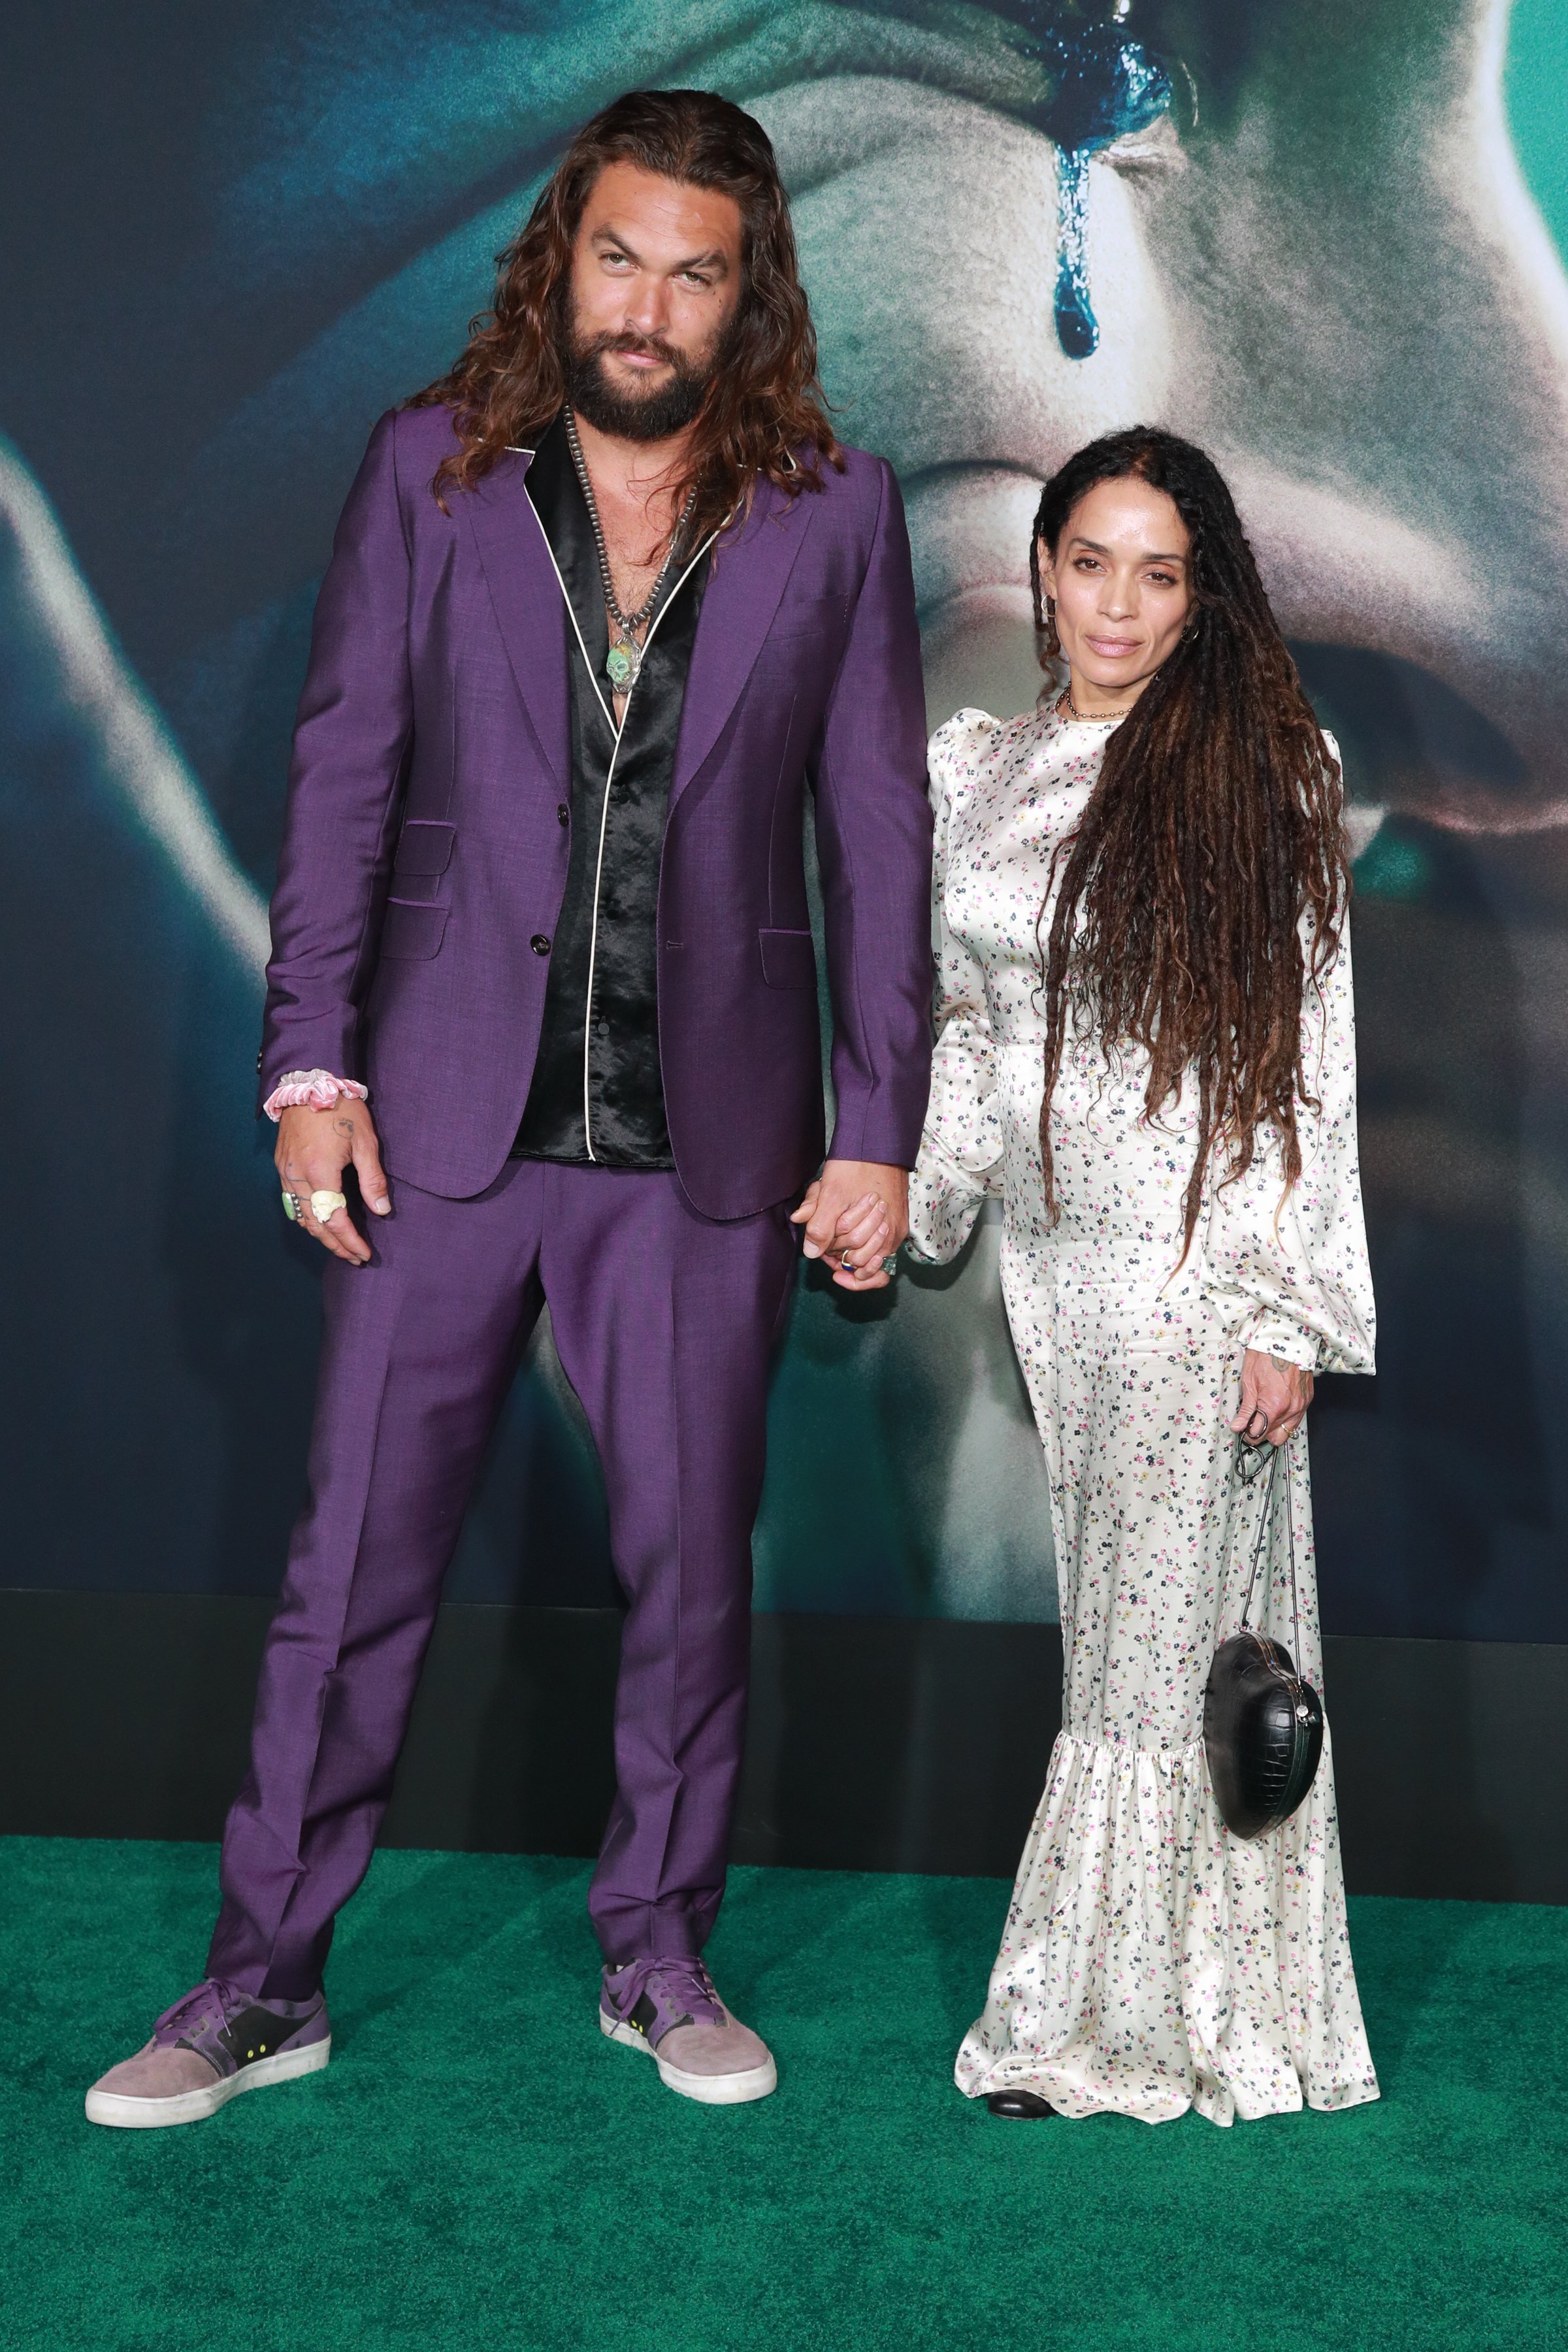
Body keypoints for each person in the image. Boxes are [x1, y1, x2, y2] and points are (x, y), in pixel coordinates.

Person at [84, 88, 932, 2129]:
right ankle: (261, 1987)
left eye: (696, 272)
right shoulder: (427, 474)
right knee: (350, 1573)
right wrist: (313, 1066)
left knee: (688, 1577)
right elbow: (347, 776)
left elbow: (879, 840)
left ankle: (659, 1954)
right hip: (440, 1124)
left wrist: (879, 1120)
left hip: (706, 1145)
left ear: (750, 298)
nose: (648, 304)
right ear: (563, 257)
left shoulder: (837, 506)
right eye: (620, 256)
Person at [908, 426, 1379, 2125]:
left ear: (1202, 600)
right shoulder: (976, 769)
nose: (1118, 602)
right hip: (1055, 1273)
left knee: (1141, 1653)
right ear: (1040, 570)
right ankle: (1171, 2000)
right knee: (1138, 1638)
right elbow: (974, 1027)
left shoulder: (1270, 768)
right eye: (1091, 562)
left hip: (1198, 1264)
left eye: (1159, 573)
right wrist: (922, 1204)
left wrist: (1288, 1308)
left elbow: (1304, 1053)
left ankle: (1090, 2024)